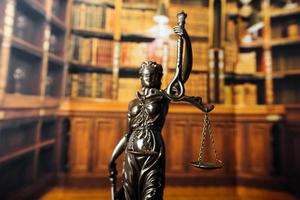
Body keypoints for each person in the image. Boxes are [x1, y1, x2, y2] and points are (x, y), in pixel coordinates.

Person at [108, 19, 210, 200]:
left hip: (153, 155)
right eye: (147, 75)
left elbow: (183, 72)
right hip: (131, 156)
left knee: (152, 195)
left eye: (154, 75)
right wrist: (113, 158)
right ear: (141, 77)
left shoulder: (164, 97)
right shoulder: (133, 103)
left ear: (159, 78)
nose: (150, 78)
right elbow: (127, 135)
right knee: (130, 196)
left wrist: (185, 38)